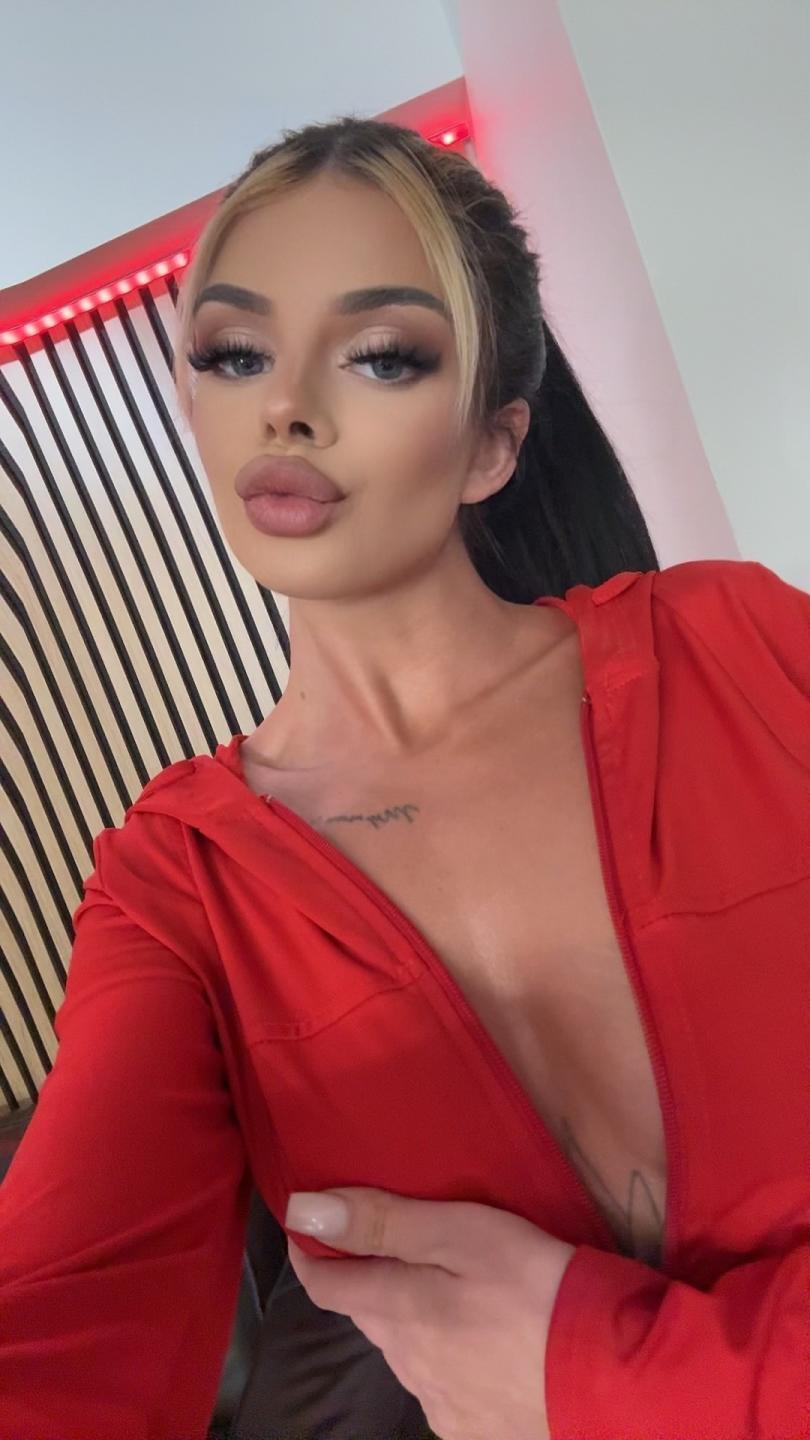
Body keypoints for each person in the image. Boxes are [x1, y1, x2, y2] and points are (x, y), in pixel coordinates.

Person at [0, 113, 807, 1440]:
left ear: (493, 443)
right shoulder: (181, 883)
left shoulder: (748, 652)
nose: (286, 406)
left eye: (380, 354)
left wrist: (603, 1374)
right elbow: (60, 1313)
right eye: (236, 352)